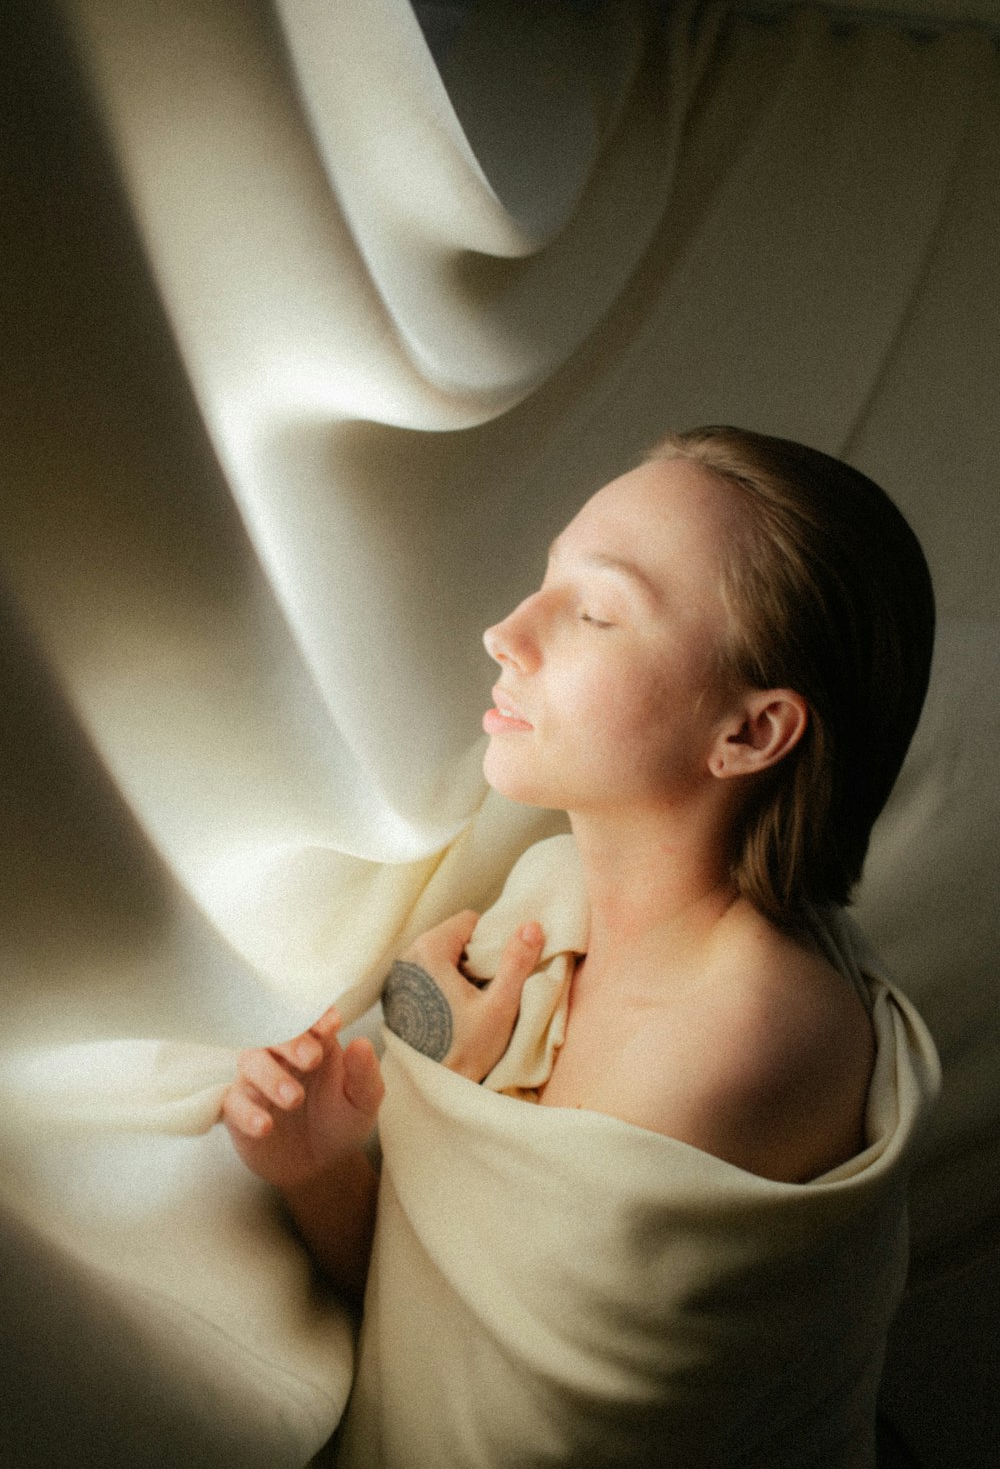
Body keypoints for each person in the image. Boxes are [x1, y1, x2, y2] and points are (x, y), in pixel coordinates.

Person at [222, 426, 938, 1463]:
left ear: (748, 734)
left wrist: (439, 1099)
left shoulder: (743, 1041)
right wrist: (318, 1164)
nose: (505, 632)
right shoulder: (551, 891)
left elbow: (508, 1431)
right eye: (545, 582)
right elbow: (444, 1317)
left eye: (595, 612)